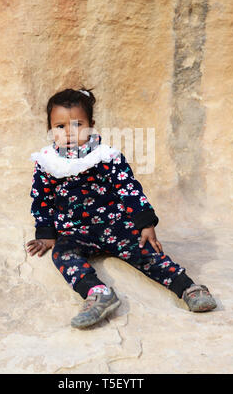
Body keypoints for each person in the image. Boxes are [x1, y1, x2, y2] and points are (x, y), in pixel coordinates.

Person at [26, 87, 217, 329]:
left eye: (77, 124)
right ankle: (97, 294)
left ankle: (188, 288)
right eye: (60, 126)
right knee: (62, 255)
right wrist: (45, 233)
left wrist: (145, 223)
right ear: (50, 129)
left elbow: (129, 190)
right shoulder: (48, 163)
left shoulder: (106, 157)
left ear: (91, 124)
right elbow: (41, 199)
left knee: (146, 252)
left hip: (116, 226)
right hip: (75, 233)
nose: (69, 133)